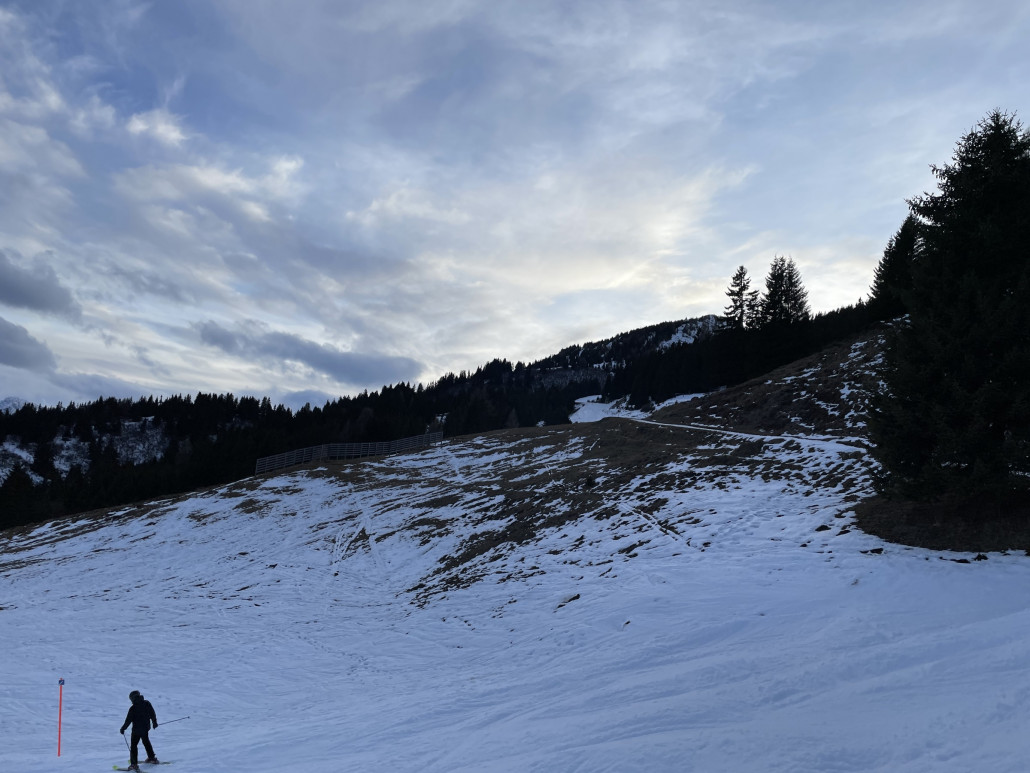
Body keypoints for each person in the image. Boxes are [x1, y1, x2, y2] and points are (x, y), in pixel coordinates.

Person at [119, 690, 159, 770]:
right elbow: (152, 713)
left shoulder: (133, 708)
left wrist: (123, 728)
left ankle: (134, 764)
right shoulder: (147, 703)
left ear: (133, 698)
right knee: (146, 742)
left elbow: (128, 720)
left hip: (136, 731)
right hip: (145, 728)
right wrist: (154, 722)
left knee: (134, 746)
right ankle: (152, 758)